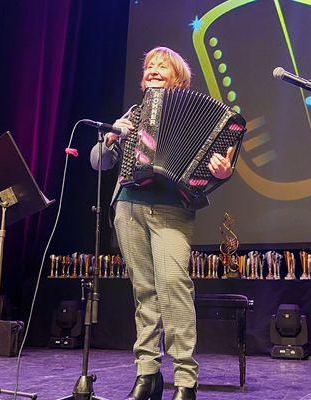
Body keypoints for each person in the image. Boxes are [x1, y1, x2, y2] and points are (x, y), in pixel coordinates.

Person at [90, 46, 235, 400]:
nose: (153, 70)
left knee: (173, 286)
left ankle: (185, 379)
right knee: (144, 292)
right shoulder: (132, 115)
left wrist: (224, 172)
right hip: (128, 207)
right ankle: (148, 375)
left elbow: (215, 170)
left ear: (178, 78)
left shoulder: (202, 116)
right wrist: (110, 137)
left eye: (162, 67)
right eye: (149, 66)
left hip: (172, 209)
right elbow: (98, 163)